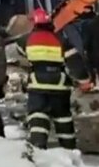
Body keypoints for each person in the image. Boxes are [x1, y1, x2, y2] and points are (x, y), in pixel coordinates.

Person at [17, 8, 93, 150]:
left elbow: (21, 54)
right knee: (63, 118)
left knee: (38, 117)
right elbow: (75, 63)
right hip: (59, 87)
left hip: (37, 86)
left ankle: (38, 147)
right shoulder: (61, 40)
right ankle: (68, 149)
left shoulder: (25, 40)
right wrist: (84, 81)